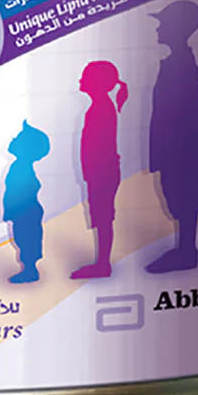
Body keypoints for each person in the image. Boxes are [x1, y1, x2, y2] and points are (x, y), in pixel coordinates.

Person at [145, 0, 198, 273]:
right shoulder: (178, 62)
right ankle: (185, 249)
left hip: (180, 150)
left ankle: (187, 252)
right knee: (180, 197)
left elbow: (183, 114)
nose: (158, 29)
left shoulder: (180, 65)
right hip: (178, 148)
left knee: (184, 197)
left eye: (163, 24)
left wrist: (168, 152)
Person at [72, 61, 128, 280]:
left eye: (85, 76)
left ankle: (103, 264)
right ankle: (102, 262)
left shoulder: (101, 108)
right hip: (101, 172)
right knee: (102, 217)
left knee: (103, 217)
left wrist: (93, 174)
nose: (81, 80)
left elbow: (99, 146)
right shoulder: (100, 107)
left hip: (102, 173)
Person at [2, 120, 50, 283]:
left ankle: (30, 270)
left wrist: (12, 211)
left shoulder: (20, 168)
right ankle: (29, 269)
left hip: (26, 213)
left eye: (18, 138)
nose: (13, 139)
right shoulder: (20, 166)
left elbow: (19, 193)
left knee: (26, 239)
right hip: (25, 212)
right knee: (23, 239)